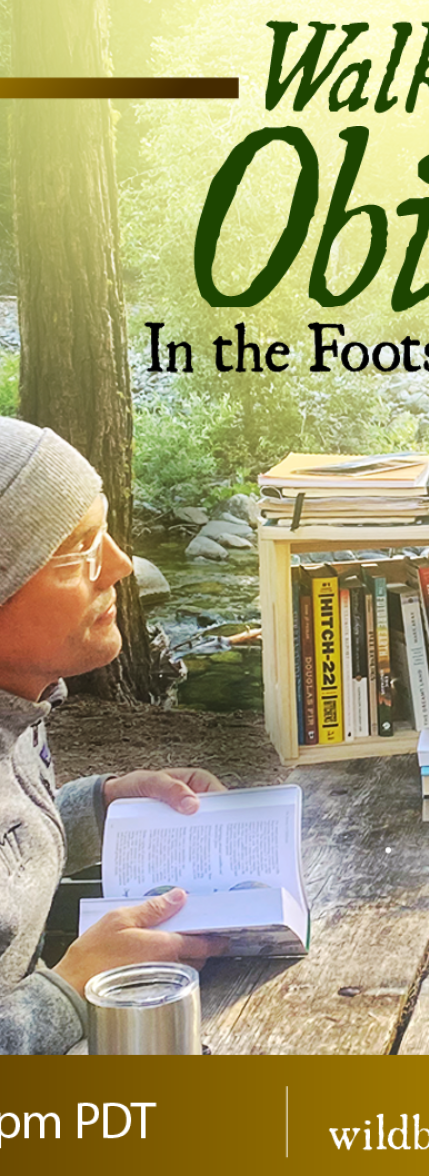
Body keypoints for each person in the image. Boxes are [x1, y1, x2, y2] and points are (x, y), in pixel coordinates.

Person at [0, 416, 227, 1054]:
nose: (120, 566)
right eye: (79, 547)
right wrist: (72, 989)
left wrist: (99, 807)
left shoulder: (19, 710)